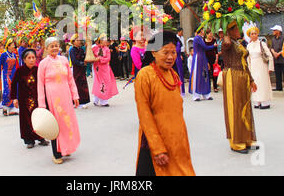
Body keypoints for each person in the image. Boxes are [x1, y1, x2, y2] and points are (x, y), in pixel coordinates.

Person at [134, 30, 195, 176]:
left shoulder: (173, 75)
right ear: (153, 52)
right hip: (155, 145)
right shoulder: (145, 75)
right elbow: (144, 114)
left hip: (177, 143)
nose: (170, 57)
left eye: (173, 52)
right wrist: (157, 148)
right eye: (165, 52)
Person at [37, 37, 81, 164]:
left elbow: (70, 79)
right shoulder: (43, 64)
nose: (55, 48)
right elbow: (40, 85)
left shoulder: (64, 60)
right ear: (46, 48)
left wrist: (75, 95)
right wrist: (42, 104)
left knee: (67, 122)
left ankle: (66, 148)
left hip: (65, 96)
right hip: (52, 97)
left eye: (56, 45)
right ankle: (56, 154)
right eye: (51, 46)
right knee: (55, 124)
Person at [221, 21, 259, 153]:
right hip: (232, 76)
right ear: (229, 31)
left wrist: (251, 79)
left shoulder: (238, 43)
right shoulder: (227, 43)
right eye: (235, 28)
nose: (238, 30)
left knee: (245, 107)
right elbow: (226, 44)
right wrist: (223, 27)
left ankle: (247, 139)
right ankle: (236, 142)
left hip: (243, 76)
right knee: (235, 108)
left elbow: (244, 63)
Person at [10, 48, 49, 148]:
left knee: (38, 118)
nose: (32, 60)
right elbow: (14, 84)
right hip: (24, 100)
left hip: (37, 98)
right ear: (24, 59)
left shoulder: (38, 69)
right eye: (29, 58)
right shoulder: (20, 71)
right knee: (25, 120)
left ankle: (41, 137)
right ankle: (28, 140)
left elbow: (44, 83)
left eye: (33, 57)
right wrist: (14, 98)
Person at [246, 27, 274, 109]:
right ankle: (256, 101)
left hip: (262, 65)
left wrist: (270, 67)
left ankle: (265, 102)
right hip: (253, 66)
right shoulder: (249, 45)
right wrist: (248, 68)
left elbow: (270, 55)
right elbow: (248, 58)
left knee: (263, 82)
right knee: (255, 83)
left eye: (255, 33)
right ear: (250, 36)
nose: (254, 35)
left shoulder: (262, 44)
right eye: (252, 34)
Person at [189, 27, 216, 101]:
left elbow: (204, 49)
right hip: (198, 58)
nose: (203, 31)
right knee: (197, 75)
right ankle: (196, 95)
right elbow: (205, 47)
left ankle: (206, 94)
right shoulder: (197, 38)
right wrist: (214, 46)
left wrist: (206, 61)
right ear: (200, 31)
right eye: (203, 30)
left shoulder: (200, 38)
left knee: (205, 75)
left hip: (203, 57)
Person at [92, 34, 119, 107]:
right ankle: (96, 99)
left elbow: (108, 59)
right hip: (97, 68)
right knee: (98, 83)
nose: (106, 41)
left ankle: (104, 101)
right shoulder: (94, 48)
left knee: (105, 83)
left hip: (105, 68)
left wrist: (100, 59)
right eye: (104, 39)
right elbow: (90, 56)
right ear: (100, 40)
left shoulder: (107, 49)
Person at [269, 25, 284, 100]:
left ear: (278, 31)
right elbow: (271, 47)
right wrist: (274, 52)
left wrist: (279, 53)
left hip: (283, 59)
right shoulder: (273, 39)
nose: (273, 32)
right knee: (277, 73)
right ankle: (279, 87)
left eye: (274, 30)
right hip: (276, 59)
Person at [69, 34, 91, 109]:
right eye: (77, 40)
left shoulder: (81, 49)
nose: (79, 42)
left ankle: (83, 101)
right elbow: (74, 61)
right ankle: (76, 102)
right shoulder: (72, 50)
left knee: (83, 85)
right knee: (77, 85)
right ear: (73, 41)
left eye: (79, 40)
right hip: (76, 70)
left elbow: (84, 57)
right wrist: (82, 63)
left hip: (82, 70)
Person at [0, 38, 19, 116]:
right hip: (6, 74)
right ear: (8, 46)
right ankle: (5, 108)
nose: (14, 46)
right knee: (7, 91)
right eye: (12, 45)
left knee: (13, 90)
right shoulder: (4, 55)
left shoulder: (14, 55)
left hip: (13, 74)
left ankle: (12, 109)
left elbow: (15, 66)